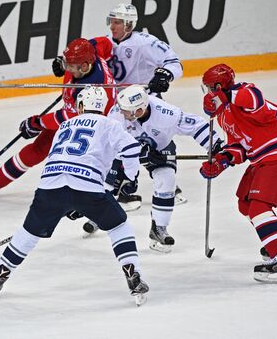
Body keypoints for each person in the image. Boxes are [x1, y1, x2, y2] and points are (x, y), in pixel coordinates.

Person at [0, 86, 149, 305]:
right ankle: (132, 274)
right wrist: (131, 177)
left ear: (80, 106)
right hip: (87, 185)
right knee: (118, 226)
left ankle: (0, 274)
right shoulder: (110, 124)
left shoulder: (64, 125)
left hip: (49, 187)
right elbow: (130, 149)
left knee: (28, 233)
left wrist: (68, 203)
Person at [53, 3, 186, 211]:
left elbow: (174, 62)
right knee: (118, 143)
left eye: (117, 23)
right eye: (111, 22)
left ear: (129, 25)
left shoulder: (146, 43)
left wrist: (165, 75)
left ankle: (168, 183)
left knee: (154, 141)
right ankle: (126, 189)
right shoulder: (106, 41)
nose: (112, 26)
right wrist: (64, 61)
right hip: (119, 104)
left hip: (144, 101)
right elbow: (84, 51)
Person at [83, 84, 223, 253]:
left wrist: (215, 146)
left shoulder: (167, 114)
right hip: (126, 152)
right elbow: (111, 145)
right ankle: (98, 214)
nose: (121, 112)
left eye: (126, 110)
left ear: (139, 111)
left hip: (160, 148)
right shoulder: (117, 115)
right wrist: (137, 158)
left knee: (167, 179)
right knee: (110, 183)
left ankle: (159, 228)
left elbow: (197, 126)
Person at [0, 38, 116, 200]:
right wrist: (61, 61)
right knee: (37, 149)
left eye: (70, 66)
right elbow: (105, 43)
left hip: (92, 126)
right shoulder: (91, 52)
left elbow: (68, 118)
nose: (67, 68)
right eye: (67, 64)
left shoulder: (92, 89)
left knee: (75, 161)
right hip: (75, 112)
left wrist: (37, 123)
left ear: (85, 66)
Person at [200, 64, 277, 283]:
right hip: (263, 157)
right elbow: (239, 146)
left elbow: (254, 99)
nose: (207, 92)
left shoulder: (244, 93)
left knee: (259, 208)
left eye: (209, 87)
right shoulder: (223, 115)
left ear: (218, 86)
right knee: (245, 203)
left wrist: (226, 95)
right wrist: (221, 161)